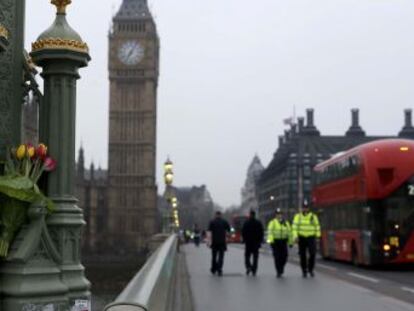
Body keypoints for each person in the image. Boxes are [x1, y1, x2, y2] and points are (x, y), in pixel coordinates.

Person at [292, 201, 321, 278]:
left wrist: (318, 236)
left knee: (312, 253)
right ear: (302, 208)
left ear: (308, 208)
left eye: (306, 207)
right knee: (302, 255)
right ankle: (304, 270)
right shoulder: (298, 217)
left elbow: (317, 226)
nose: (305, 209)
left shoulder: (313, 217)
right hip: (301, 238)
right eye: (304, 207)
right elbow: (294, 227)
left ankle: (310, 269)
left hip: (311, 237)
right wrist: (295, 236)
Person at [267, 208, 293, 278]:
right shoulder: (272, 222)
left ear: (282, 215)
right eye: (277, 214)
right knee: (277, 257)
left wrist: (291, 242)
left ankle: (281, 267)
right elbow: (270, 232)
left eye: (280, 214)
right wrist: (271, 241)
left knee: (285, 256)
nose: (279, 215)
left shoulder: (286, 223)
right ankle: (279, 271)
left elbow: (290, 233)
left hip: (283, 242)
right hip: (276, 242)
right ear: (275, 215)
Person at [208, 211, 231, 276]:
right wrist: (227, 236)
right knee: (221, 256)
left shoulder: (212, 222)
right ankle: (219, 269)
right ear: (220, 215)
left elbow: (209, 231)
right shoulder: (224, 222)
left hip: (214, 242)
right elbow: (229, 229)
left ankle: (213, 268)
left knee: (214, 256)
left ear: (215, 215)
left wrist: (209, 242)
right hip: (222, 242)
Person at [241, 210, 264, 276]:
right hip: (256, 243)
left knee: (247, 256)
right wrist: (260, 241)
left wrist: (244, 240)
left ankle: (248, 266)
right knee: (255, 257)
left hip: (248, 243)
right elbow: (261, 232)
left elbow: (243, 232)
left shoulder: (246, 223)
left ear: (250, 215)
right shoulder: (258, 223)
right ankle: (254, 269)